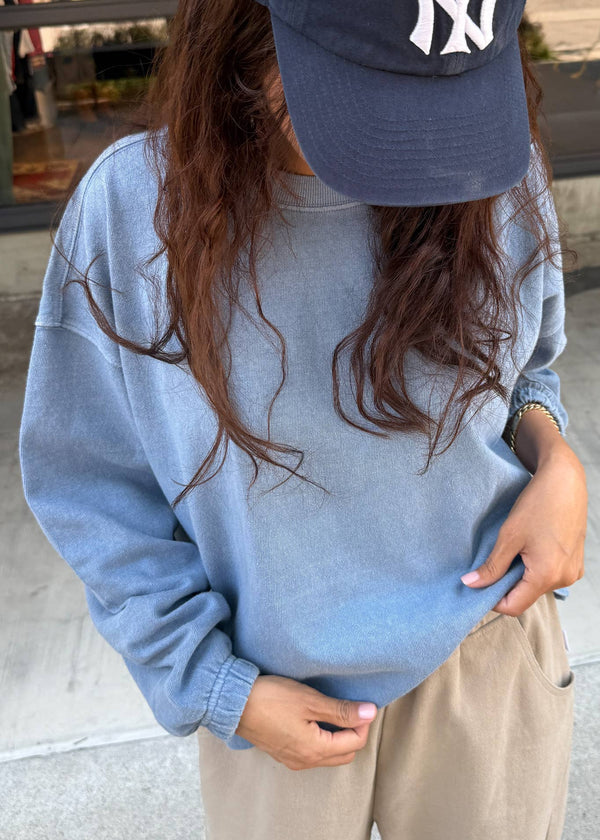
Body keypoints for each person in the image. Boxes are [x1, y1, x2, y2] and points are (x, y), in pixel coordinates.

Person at [19, 0, 588, 838]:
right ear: (247, 32)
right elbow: (90, 487)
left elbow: (526, 367)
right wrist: (214, 684)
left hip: (490, 650)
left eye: (446, 89)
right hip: (272, 692)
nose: (419, 138)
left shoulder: (493, 159)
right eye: (373, 85)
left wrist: (555, 457)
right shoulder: (134, 210)